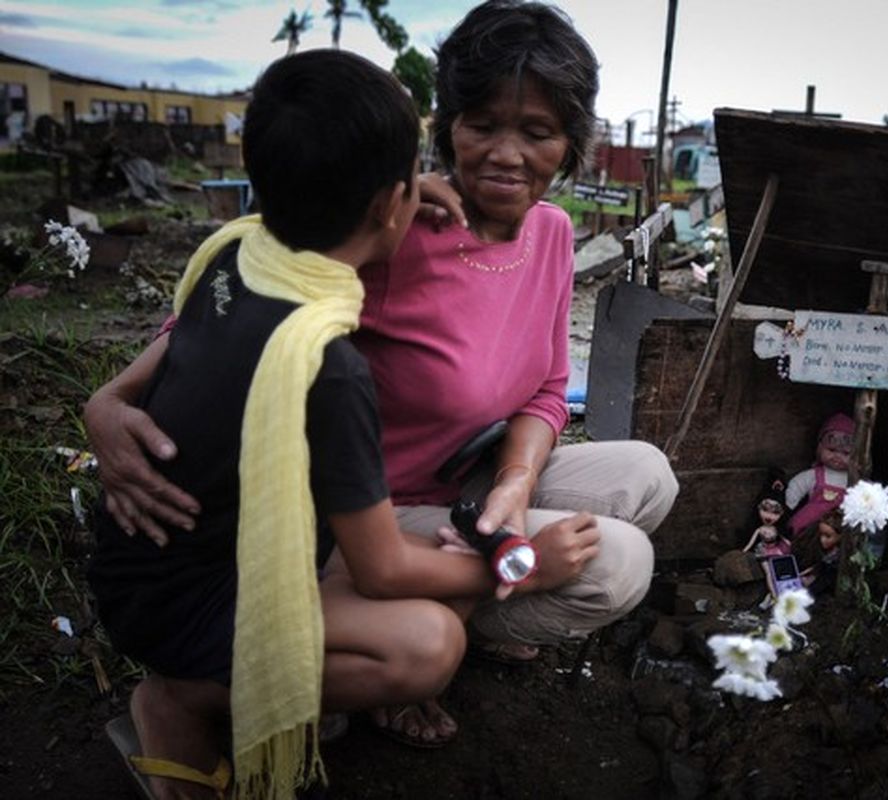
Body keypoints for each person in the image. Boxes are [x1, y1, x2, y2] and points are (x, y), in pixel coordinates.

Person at [84, 0, 678, 749]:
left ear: (572, 141)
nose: (506, 154)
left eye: (536, 132)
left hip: (465, 486)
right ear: (446, 125)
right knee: (618, 564)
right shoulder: (393, 226)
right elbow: (244, 306)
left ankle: (439, 627)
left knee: (646, 476)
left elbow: (548, 388)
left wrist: (517, 483)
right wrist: (109, 402)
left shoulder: (554, 235)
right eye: (482, 125)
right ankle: (397, 647)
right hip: (363, 520)